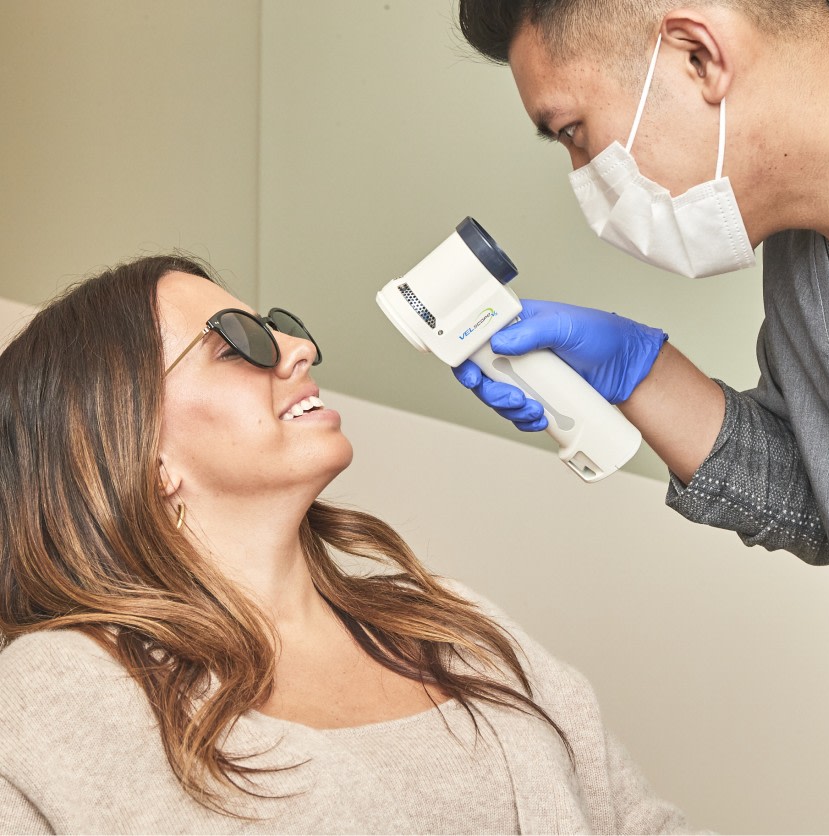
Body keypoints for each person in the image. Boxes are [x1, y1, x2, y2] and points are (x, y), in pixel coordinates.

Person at [0, 254, 695, 833]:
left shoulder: (450, 625)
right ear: (132, 449)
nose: (298, 348)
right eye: (236, 340)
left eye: (280, 328)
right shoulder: (58, 693)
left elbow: (641, 823)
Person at [451, 0, 829, 745]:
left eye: (574, 133)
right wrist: (641, 374)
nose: (585, 182)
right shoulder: (804, 263)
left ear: (699, 56)